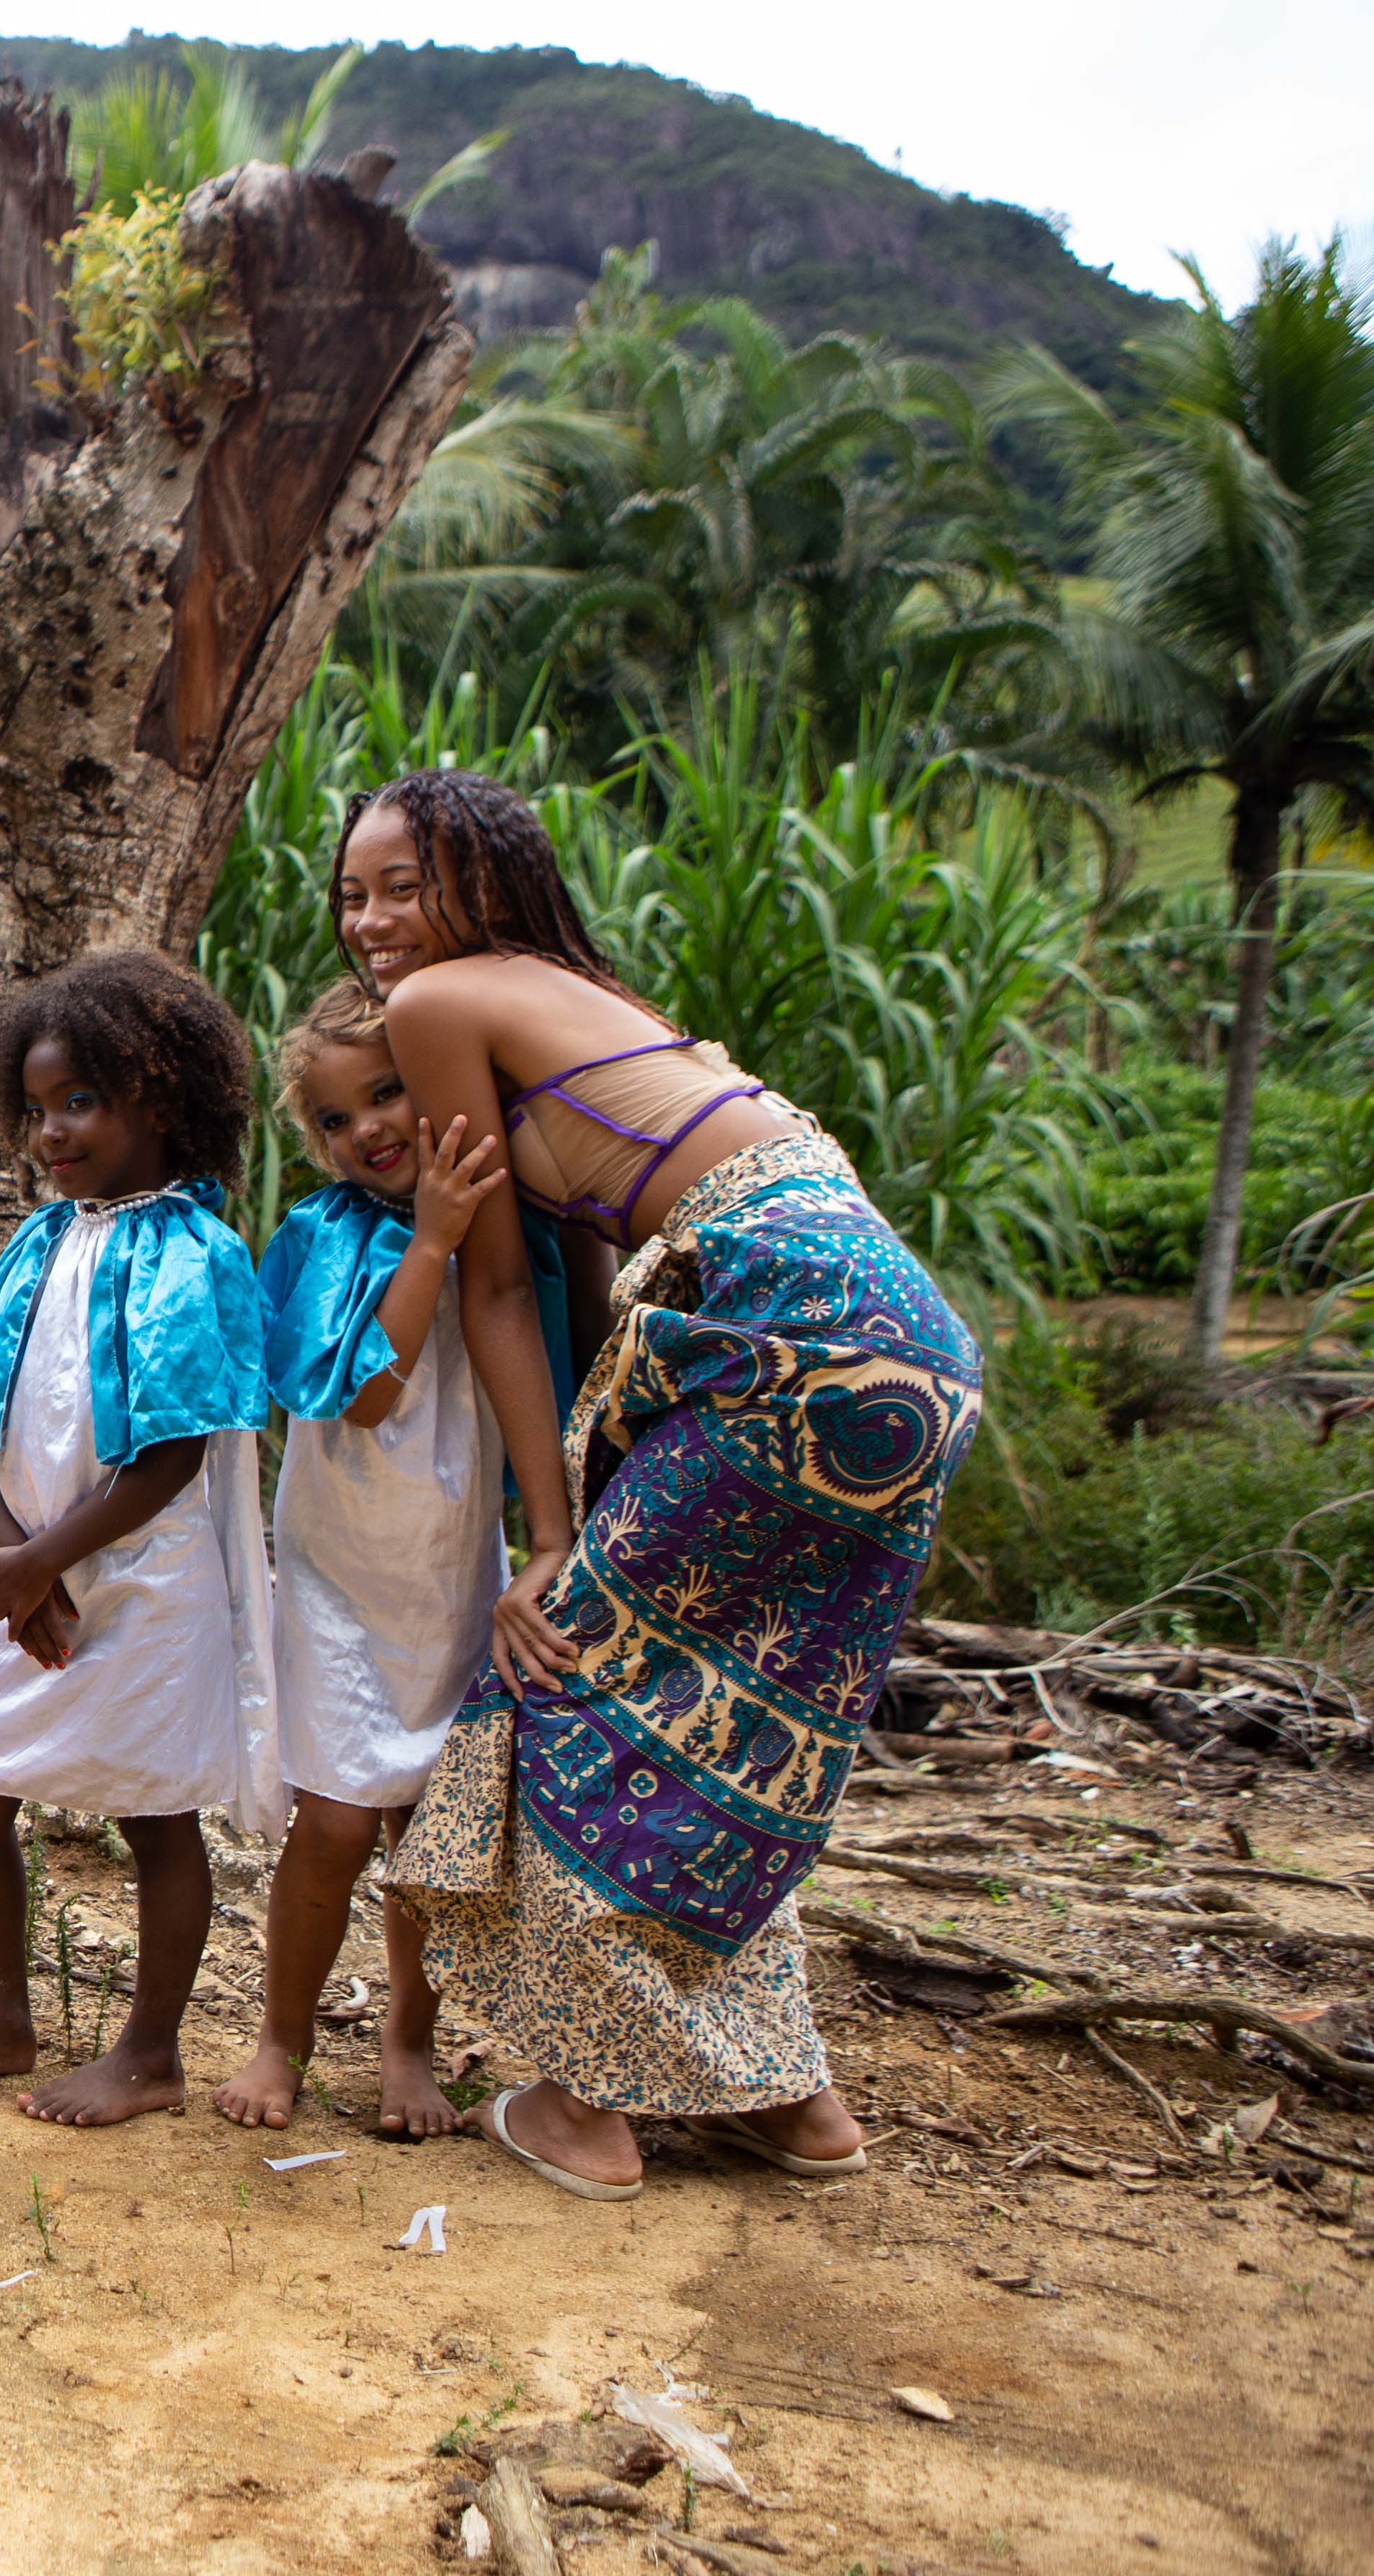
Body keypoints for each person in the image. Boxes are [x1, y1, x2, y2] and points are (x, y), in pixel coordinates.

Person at [352, 768, 981, 2202]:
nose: (374, 921)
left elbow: (502, 1287)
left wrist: (551, 1537)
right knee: (729, 1716)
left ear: (488, 884)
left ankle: (580, 2104)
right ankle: (792, 2100)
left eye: (405, 885)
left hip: (781, 1321)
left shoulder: (444, 1006)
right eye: (356, 894)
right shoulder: (592, 999)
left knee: (560, 1667)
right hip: (904, 1349)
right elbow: (584, 1259)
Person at [0, 949, 283, 2125]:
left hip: (151, 1581)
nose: (52, 1134)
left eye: (83, 1105)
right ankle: (4, 2019)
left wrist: (47, 1558)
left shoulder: (196, 1252)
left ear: (162, 1103)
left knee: (156, 1817)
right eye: (41, 1108)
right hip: (38, 1578)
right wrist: (15, 1562)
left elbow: (179, 1451)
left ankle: (152, 2053)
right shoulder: (41, 1241)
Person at [210, 981, 563, 2140]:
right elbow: (358, 1394)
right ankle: (282, 2039)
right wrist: (432, 1244)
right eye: (333, 1119)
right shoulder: (322, 1237)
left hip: (454, 1571)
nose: (367, 1128)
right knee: (339, 1825)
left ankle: (409, 2042)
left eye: (389, 1090)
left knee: (429, 1830)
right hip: (334, 1574)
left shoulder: (501, 1223)